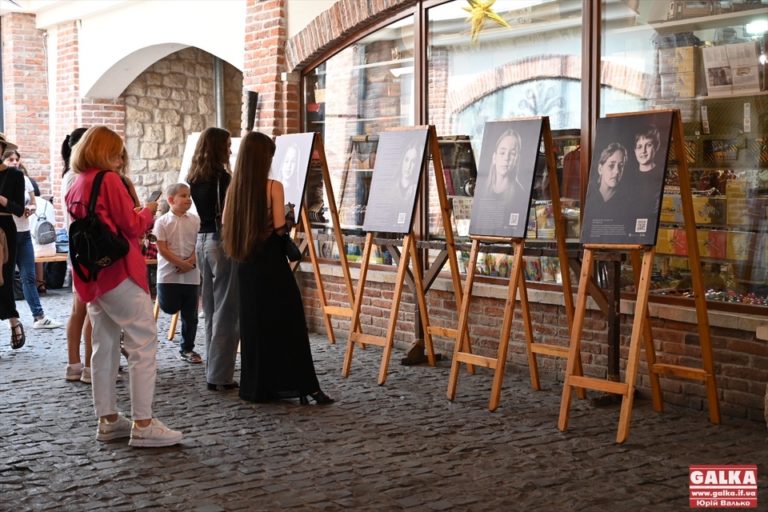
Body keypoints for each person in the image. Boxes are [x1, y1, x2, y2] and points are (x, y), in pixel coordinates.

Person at [66, 125, 182, 447]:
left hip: (92, 275)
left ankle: (108, 419)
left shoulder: (76, 183)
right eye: (117, 151)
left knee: (103, 346)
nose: (121, 158)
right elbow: (131, 225)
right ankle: (143, 423)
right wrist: (149, 211)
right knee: (142, 344)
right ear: (107, 151)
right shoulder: (109, 180)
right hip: (120, 272)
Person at [222, 131, 333, 405]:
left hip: (245, 264)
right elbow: (280, 229)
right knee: (290, 322)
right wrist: (285, 217)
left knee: (254, 326)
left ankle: (258, 387)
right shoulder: (272, 186)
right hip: (271, 263)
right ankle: (304, 385)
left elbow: (227, 224)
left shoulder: (234, 189)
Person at [187, 127, 240, 391]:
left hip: (202, 240)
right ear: (219, 147)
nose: (231, 149)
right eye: (228, 144)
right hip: (220, 240)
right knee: (226, 309)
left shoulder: (194, 177)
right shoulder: (224, 178)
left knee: (209, 306)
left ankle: (212, 368)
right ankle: (220, 375)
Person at [2, 149, 62, 330]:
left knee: (29, 276)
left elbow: (33, 203)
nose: (14, 162)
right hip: (6, 232)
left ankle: (38, 316)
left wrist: (30, 209)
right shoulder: (6, 179)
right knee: (6, 277)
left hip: (24, 232)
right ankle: (10, 317)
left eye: (16, 159)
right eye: (10, 159)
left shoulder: (23, 179)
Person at [153, 182, 201, 364]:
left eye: (189, 195)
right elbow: (162, 248)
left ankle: (187, 348)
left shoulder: (196, 220)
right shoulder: (162, 222)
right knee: (169, 307)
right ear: (171, 199)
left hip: (191, 274)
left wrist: (190, 262)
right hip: (169, 274)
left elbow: (199, 243)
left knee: (191, 316)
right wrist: (180, 263)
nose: (188, 199)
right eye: (183, 196)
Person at [61, 127, 93, 382]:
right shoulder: (77, 177)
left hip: (78, 246)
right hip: (86, 246)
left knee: (80, 307)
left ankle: (75, 364)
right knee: (89, 308)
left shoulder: (70, 175)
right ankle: (87, 365)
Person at [0, 133, 27, 350]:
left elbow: (20, 210)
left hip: (5, 229)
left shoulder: (14, 176)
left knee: (4, 278)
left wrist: (2, 200)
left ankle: (13, 320)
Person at [585, 142, 627, 220]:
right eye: (611, 165)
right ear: (600, 169)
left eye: (621, 166)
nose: (617, 171)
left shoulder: (626, 202)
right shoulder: (589, 197)